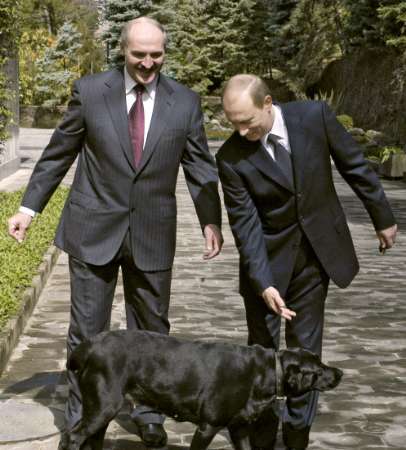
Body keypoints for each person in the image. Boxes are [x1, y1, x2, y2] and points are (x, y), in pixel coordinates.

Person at [8, 17, 223, 449]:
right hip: (92, 231)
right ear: (122, 50)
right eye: (139, 54)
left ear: (165, 52)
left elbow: (200, 169)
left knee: (154, 334)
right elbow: (58, 154)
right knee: (87, 333)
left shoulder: (185, 101)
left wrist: (210, 220)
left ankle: (148, 414)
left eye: (156, 55)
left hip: (153, 233)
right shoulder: (90, 92)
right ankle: (82, 422)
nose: (147, 63)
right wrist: (29, 207)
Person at [216, 74, 397, 450]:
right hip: (266, 264)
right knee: (263, 358)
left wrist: (383, 218)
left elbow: (355, 166)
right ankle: (263, 437)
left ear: (268, 103)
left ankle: (298, 434)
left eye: (247, 120)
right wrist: (263, 282)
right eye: (233, 122)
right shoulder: (230, 158)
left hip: (316, 257)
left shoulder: (313, 116)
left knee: (306, 354)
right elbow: (245, 226)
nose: (241, 130)